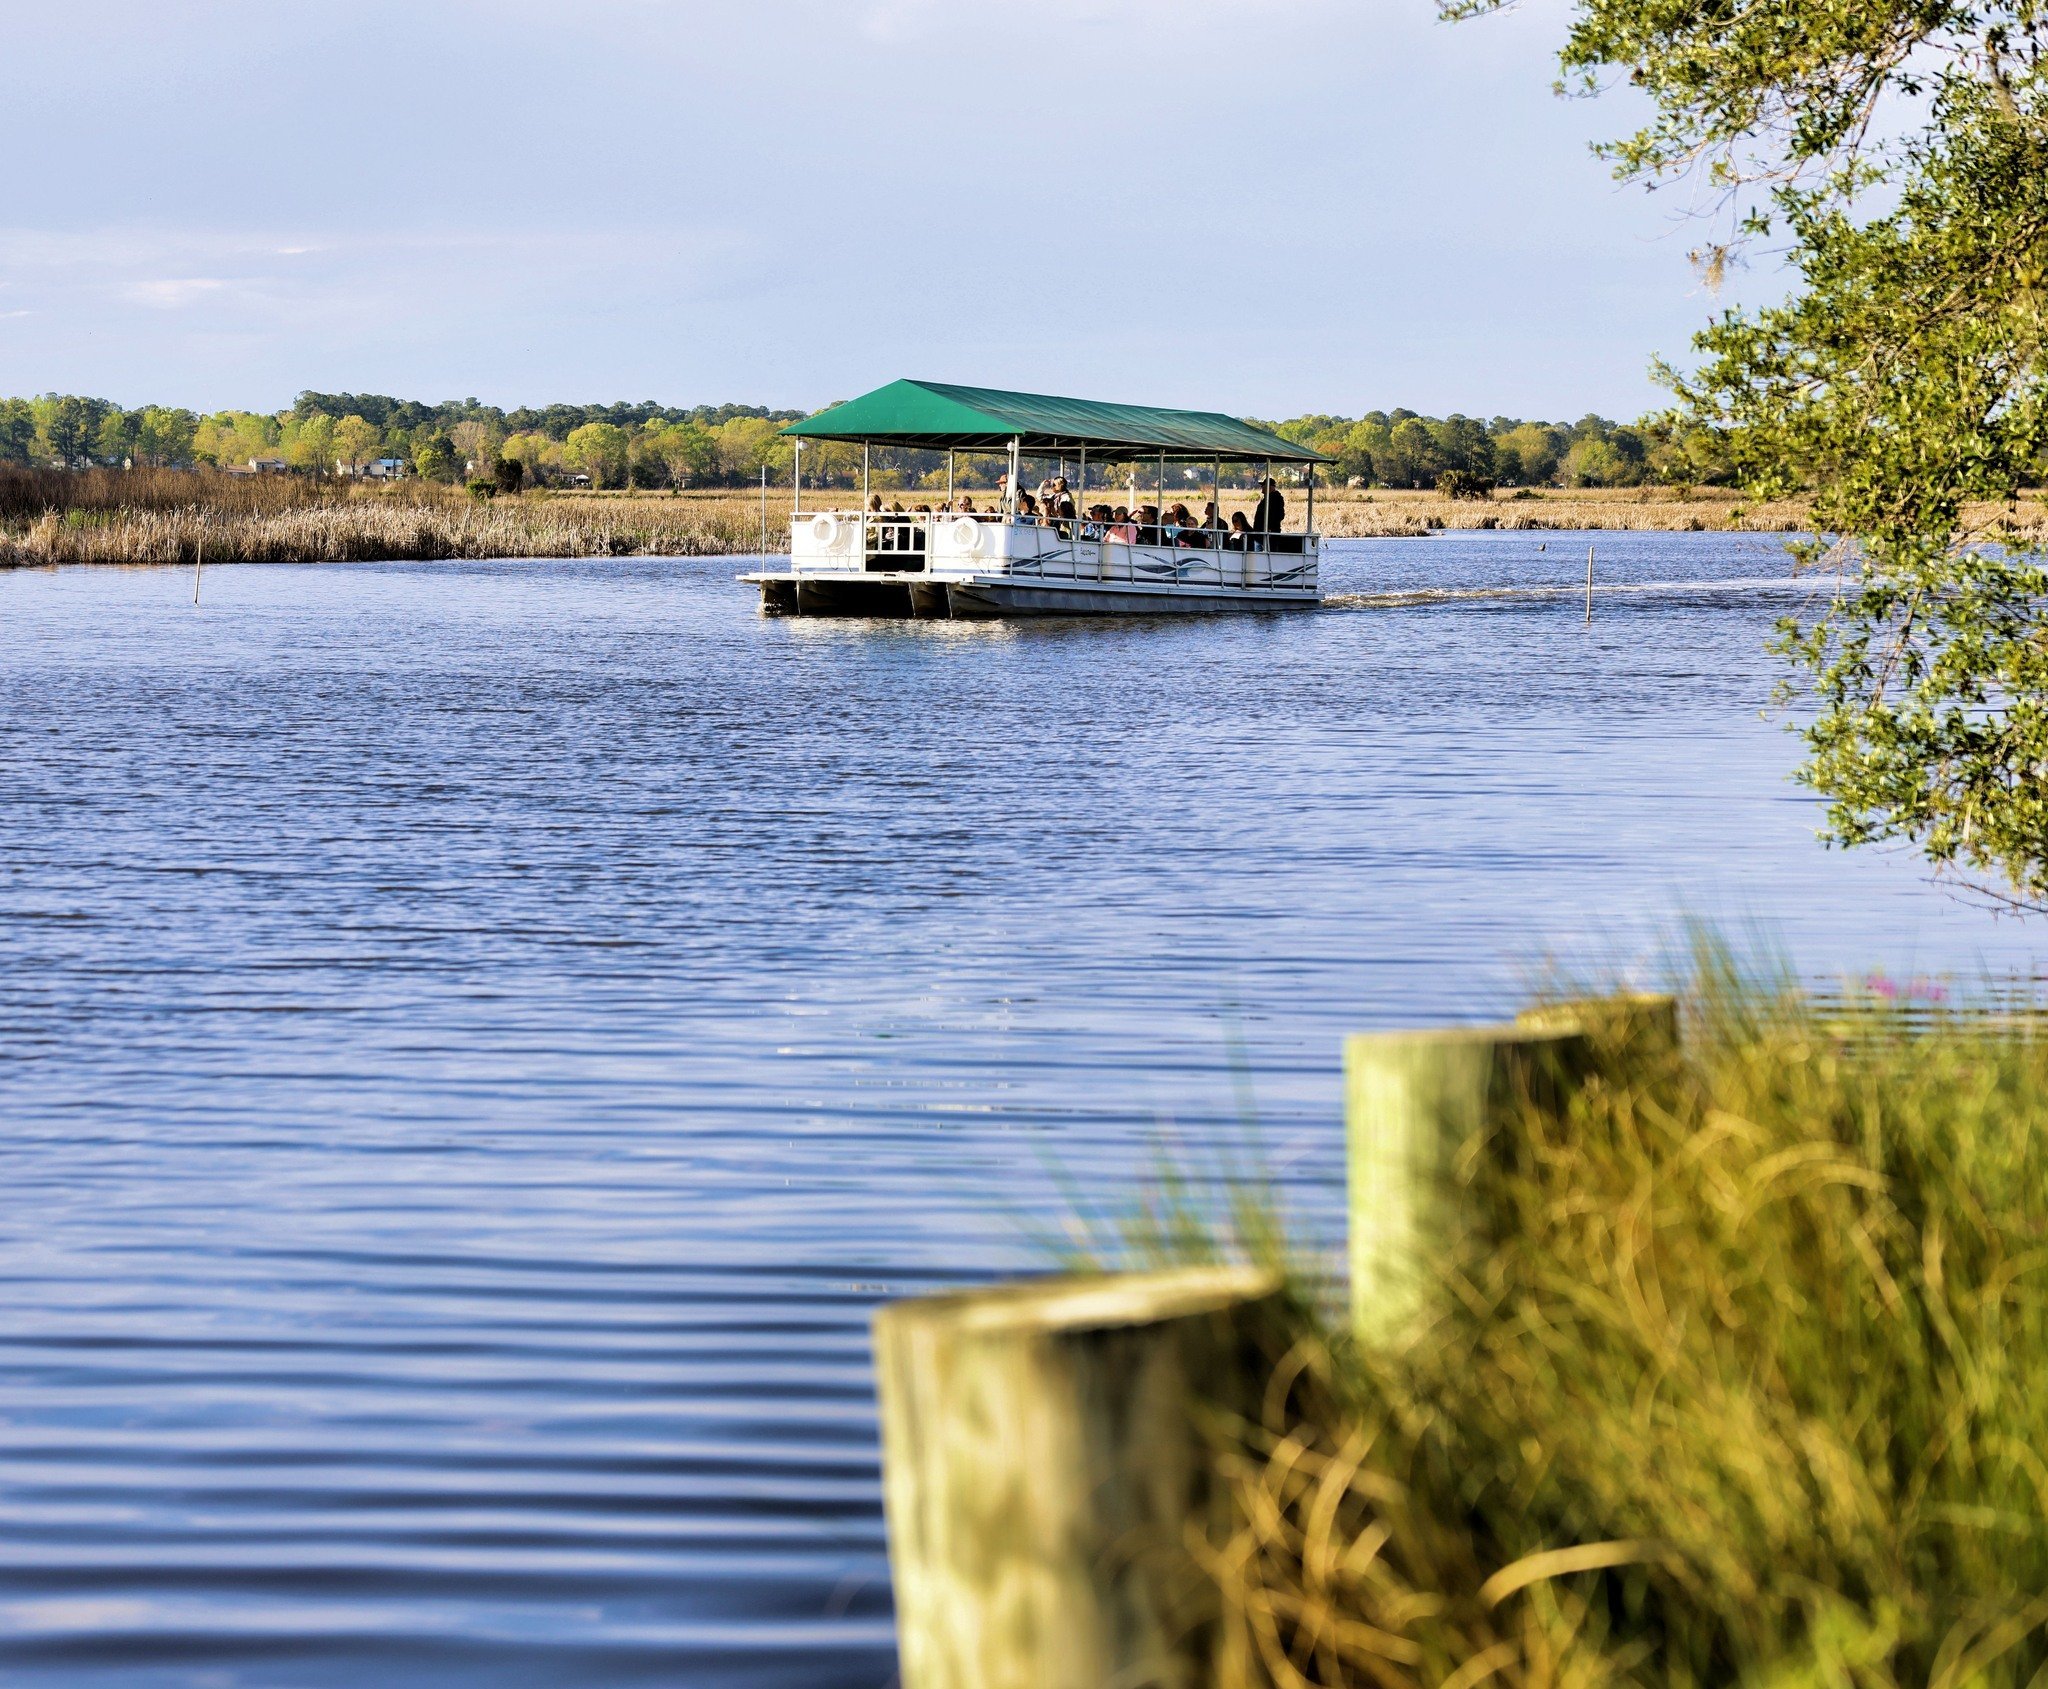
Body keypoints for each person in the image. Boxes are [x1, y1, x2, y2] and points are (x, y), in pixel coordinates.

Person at [1249, 477, 1286, 550]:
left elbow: (1279, 515)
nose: (1261, 487)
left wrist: (1269, 528)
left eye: (1263, 485)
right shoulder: (1267, 498)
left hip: (1268, 535)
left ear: (1270, 487)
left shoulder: (1276, 499)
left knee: (1266, 554)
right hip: (1261, 534)